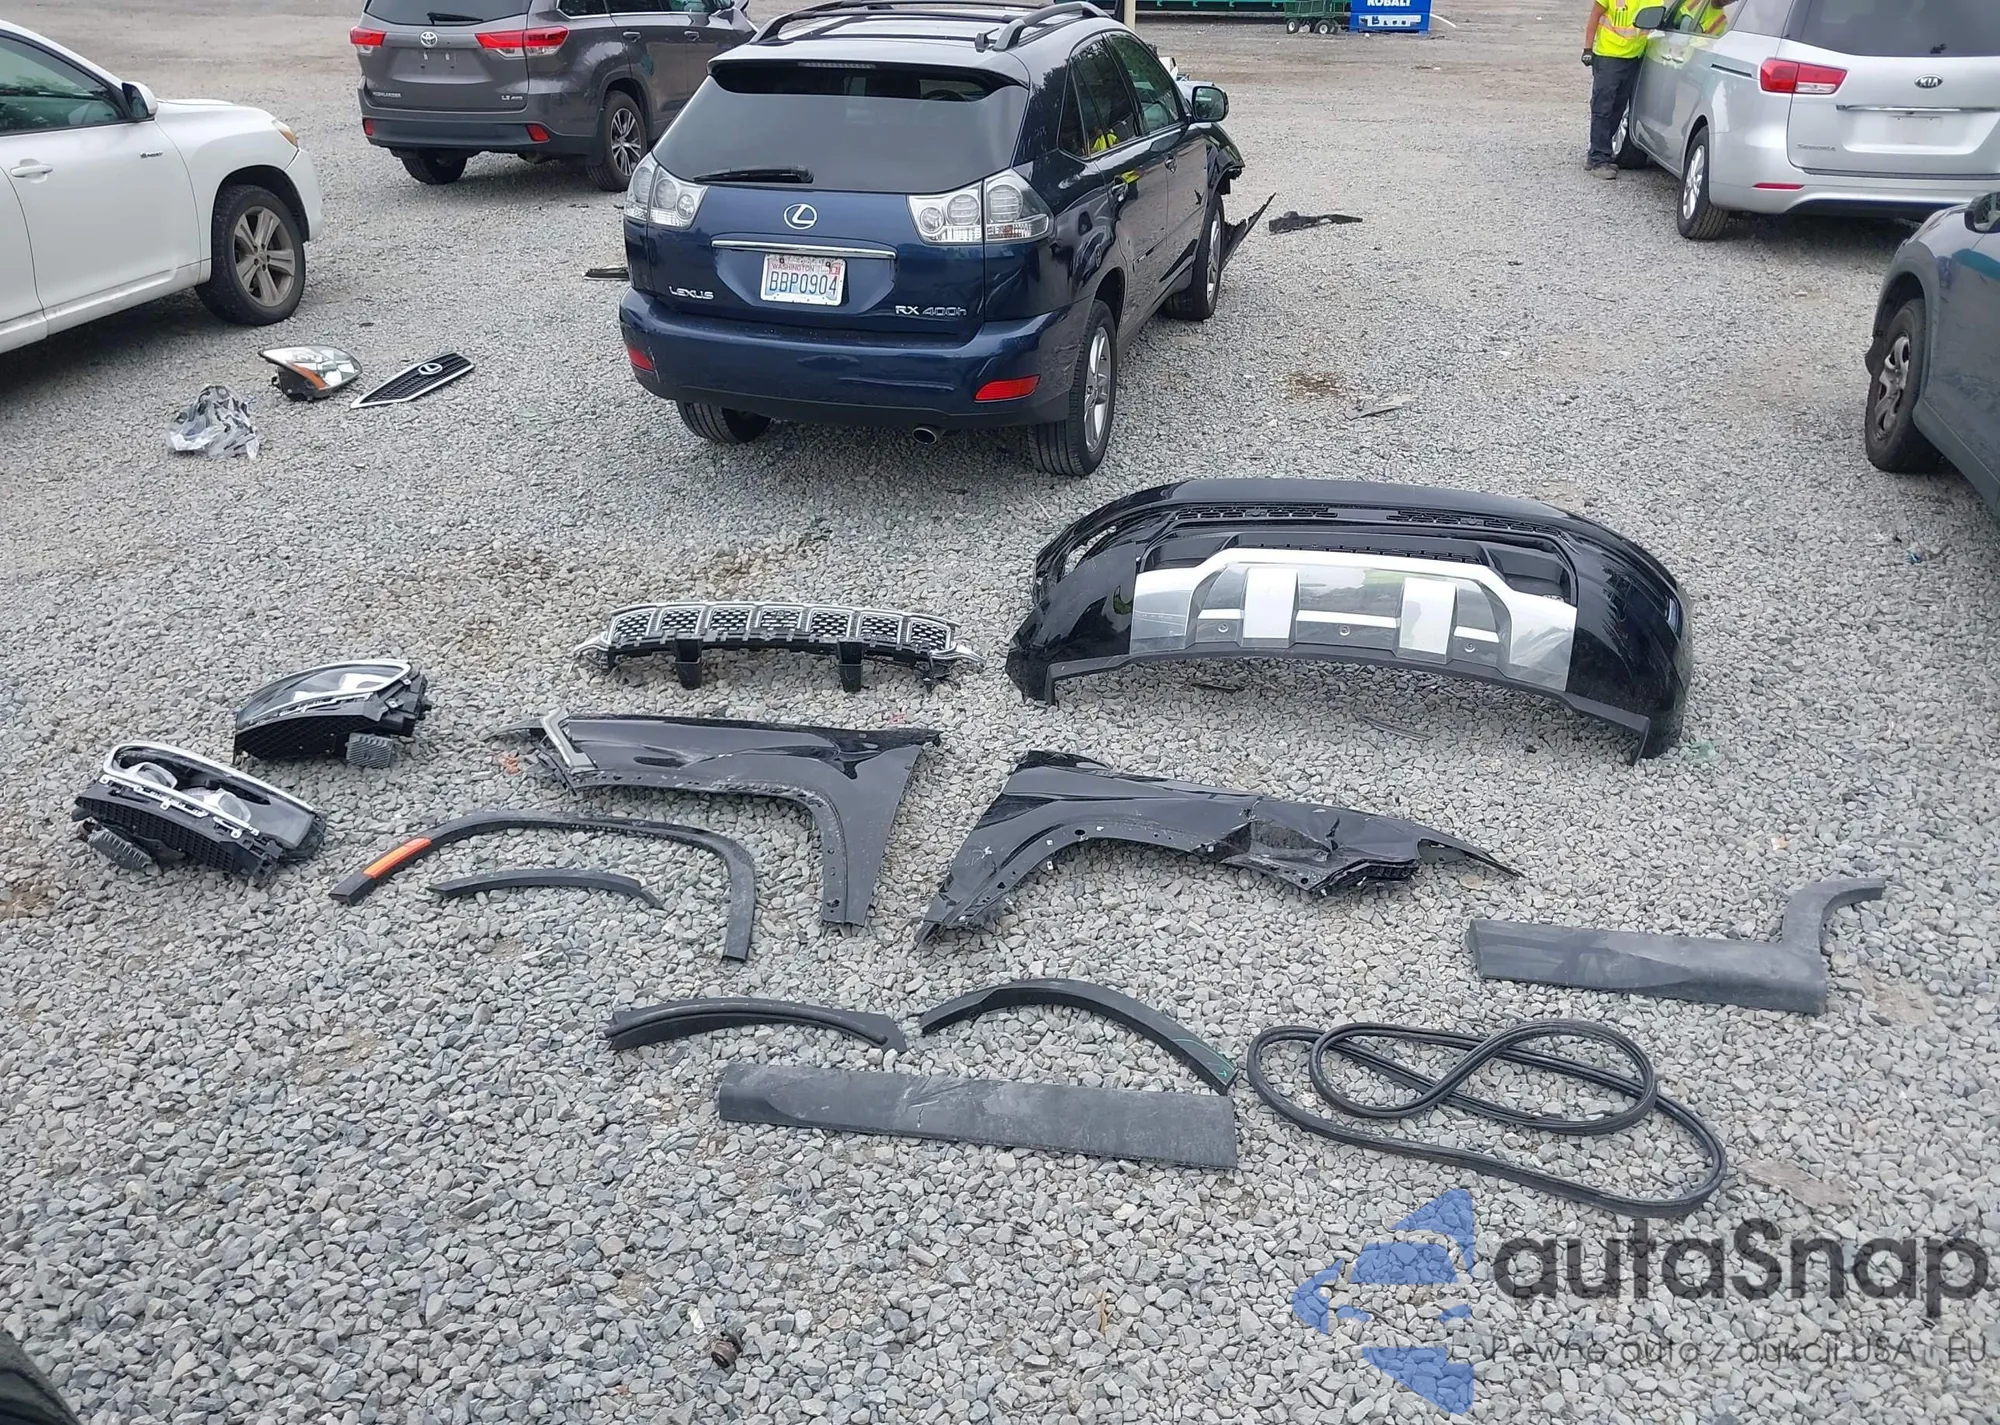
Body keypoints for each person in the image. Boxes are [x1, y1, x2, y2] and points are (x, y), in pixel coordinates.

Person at [1581, 0, 1654, 179]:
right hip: (1608, 57)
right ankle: (1599, 160)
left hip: (1633, 57)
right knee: (1603, 108)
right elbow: (1595, 16)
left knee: (1617, 109)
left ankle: (1597, 153)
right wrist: (1588, 49)